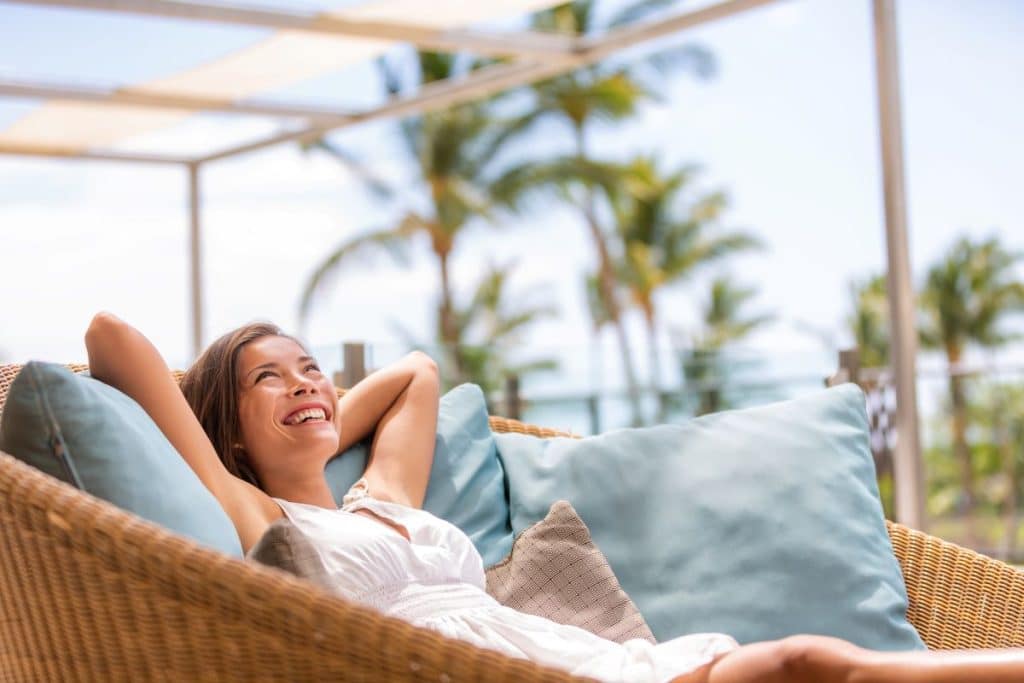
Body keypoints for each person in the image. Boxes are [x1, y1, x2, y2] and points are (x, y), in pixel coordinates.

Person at [83, 311, 1024, 683]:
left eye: (314, 369)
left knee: (806, 666)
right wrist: (235, 445)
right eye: (269, 381)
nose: (305, 385)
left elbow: (415, 371)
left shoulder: (381, 494)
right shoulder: (256, 519)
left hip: (569, 655)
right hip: (471, 670)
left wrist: (321, 408)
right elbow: (110, 338)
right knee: (808, 663)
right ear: (227, 430)